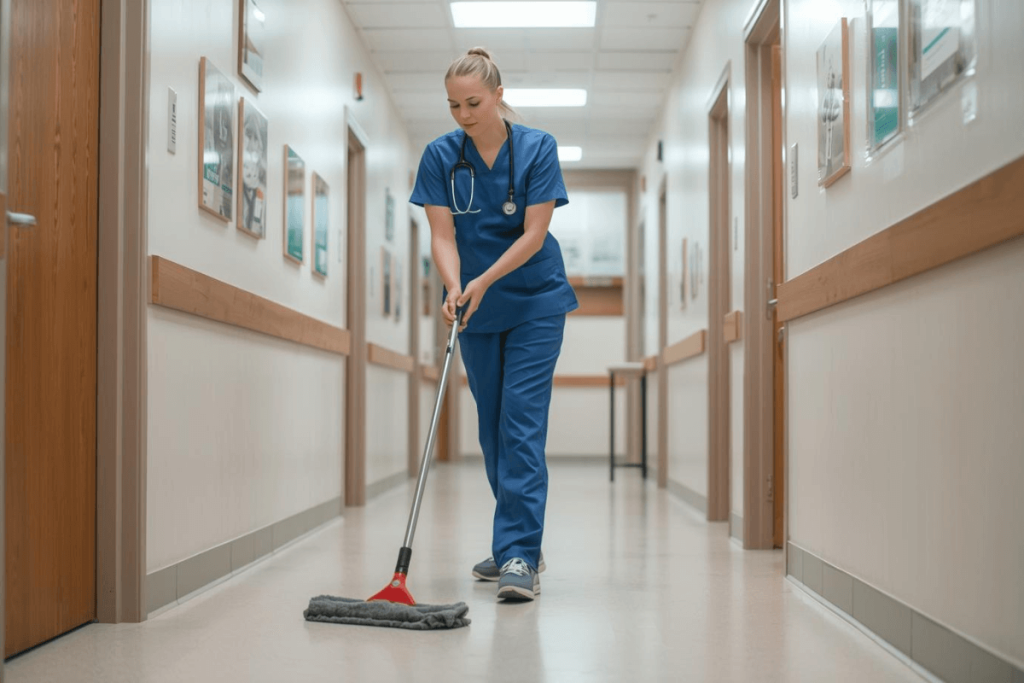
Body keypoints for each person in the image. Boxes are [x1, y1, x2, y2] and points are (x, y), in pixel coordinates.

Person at [409, 47, 578, 602]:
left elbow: (532, 235)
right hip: (475, 309)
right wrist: (458, 285)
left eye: (474, 102)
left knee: (521, 426)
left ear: (499, 95)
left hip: (534, 302)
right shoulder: (440, 156)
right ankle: (519, 540)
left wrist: (484, 281)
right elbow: (442, 235)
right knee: (491, 431)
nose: (463, 114)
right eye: (453, 104)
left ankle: (519, 553)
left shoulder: (537, 148)